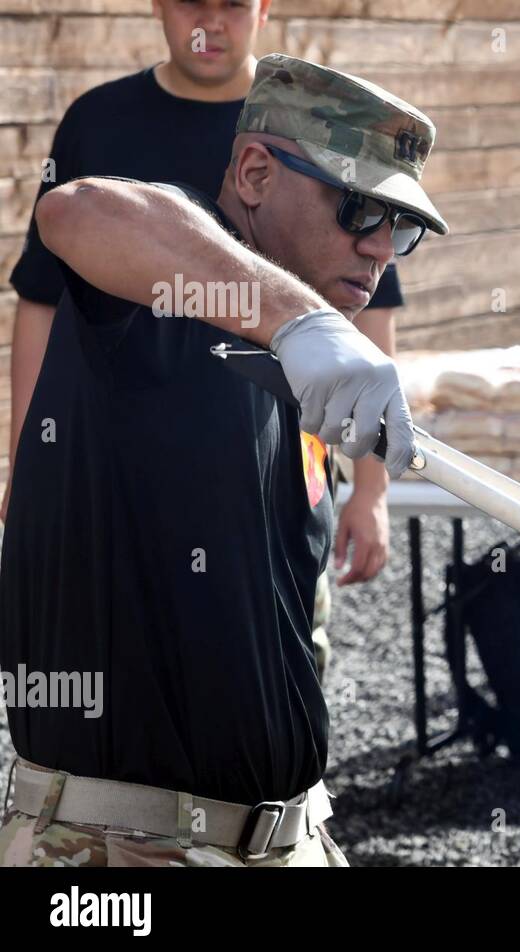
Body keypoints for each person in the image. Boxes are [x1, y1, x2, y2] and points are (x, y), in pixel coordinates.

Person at [0, 53, 446, 867]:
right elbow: (78, 209)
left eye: (401, 225)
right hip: (120, 852)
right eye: (357, 208)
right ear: (252, 172)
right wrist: (295, 319)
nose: (380, 247)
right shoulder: (167, 297)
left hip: (284, 839)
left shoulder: (306, 369)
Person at [3, 0, 401, 678]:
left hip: (279, 467)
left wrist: (371, 486)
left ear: (265, 9)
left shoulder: (317, 131)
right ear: (158, 4)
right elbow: (42, 300)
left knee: (283, 666)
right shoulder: (101, 122)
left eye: (233, 5)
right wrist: (27, 460)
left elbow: (369, 319)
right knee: (126, 665)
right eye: (192, 1)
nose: (211, 23)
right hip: (127, 469)